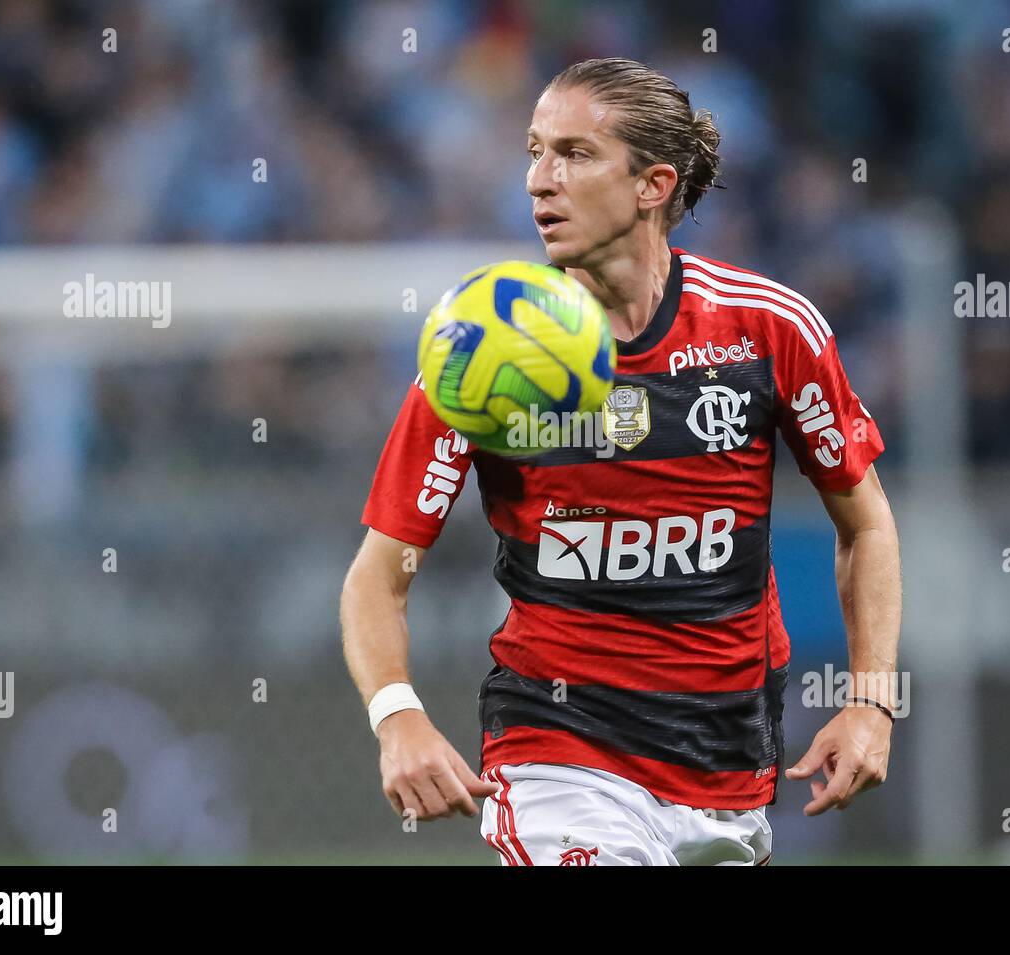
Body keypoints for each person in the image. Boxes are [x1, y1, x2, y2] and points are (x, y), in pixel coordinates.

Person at [341, 57, 902, 866]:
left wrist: (872, 699)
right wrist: (397, 716)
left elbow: (868, 521)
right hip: (557, 748)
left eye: (572, 154)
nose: (539, 180)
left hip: (727, 764)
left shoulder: (768, 329)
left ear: (652, 184)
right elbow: (378, 573)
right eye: (533, 151)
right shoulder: (479, 349)